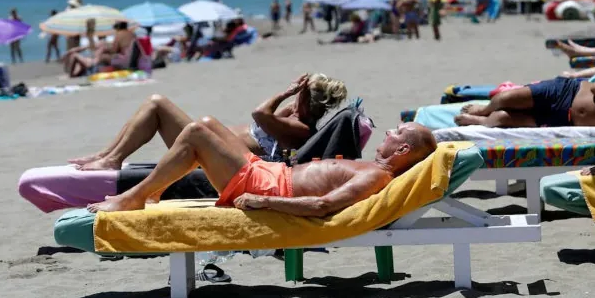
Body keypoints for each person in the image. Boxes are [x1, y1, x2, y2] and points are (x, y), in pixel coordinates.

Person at [86, 121, 436, 214]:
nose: (389, 132)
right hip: (268, 172)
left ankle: (134, 196)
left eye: (397, 133)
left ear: (403, 149)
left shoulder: (376, 175)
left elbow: (324, 206)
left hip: (267, 187)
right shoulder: (371, 167)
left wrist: (265, 203)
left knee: (195, 134)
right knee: (207, 123)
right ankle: (157, 188)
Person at [71, 73, 348, 171]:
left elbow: (259, 114)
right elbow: (267, 115)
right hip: (212, 151)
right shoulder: (294, 115)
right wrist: (294, 99)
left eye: (300, 91)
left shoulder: (301, 129)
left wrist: (286, 92)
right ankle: (108, 155)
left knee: (157, 104)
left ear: (306, 97)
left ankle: (113, 159)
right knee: (154, 103)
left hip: (216, 161)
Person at [454, 72, 595, 128]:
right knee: (506, 98)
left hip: (567, 120)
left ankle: (479, 121)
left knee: (502, 118)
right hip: (567, 92)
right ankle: (484, 110)